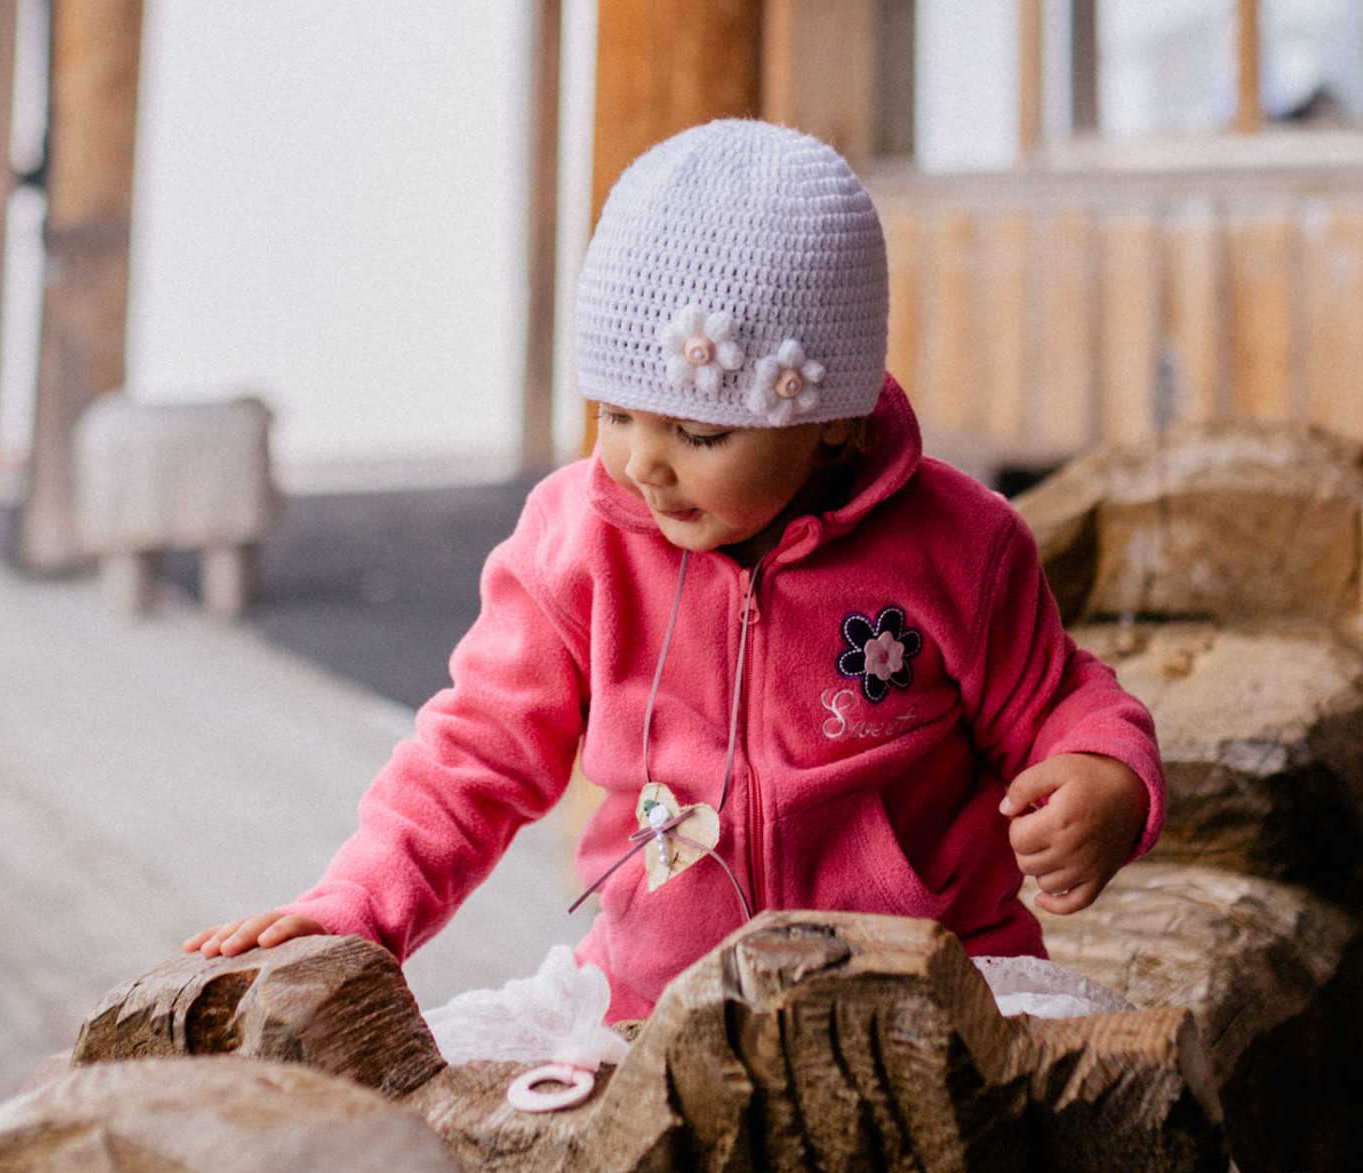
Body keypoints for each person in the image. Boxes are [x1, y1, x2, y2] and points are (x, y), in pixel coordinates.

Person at [185, 119, 1163, 1021]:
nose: (644, 463)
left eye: (698, 431)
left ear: (835, 419)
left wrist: (1103, 775)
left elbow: (1059, 699)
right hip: (658, 999)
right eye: (615, 412)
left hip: (935, 987)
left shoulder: (957, 544)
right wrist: (358, 905)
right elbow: (473, 752)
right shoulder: (579, 547)